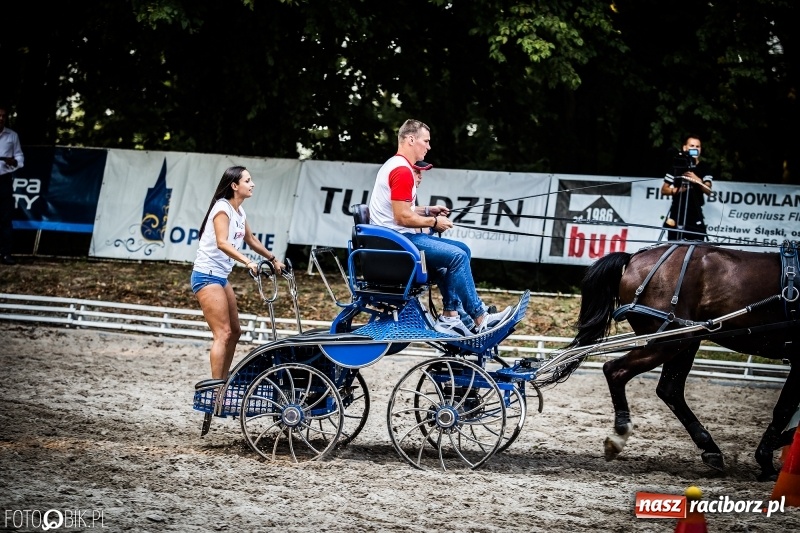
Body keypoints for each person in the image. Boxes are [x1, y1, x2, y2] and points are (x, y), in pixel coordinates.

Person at [368, 119, 511, 336]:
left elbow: (400, 210)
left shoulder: (396, 166)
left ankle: (451, 316)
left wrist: (427, 211)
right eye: (426, 141)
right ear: (410, 139)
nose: (428, 146)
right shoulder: (402, 171)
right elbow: (401, 217)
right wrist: (434, 222)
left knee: (461, 252)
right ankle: (480, 316)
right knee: (457, 255)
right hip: (398, 243)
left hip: (396, 240)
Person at [191, 166, 285, 380]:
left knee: (235, 332)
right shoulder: (222, 208)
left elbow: (251, 240)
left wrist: (273, 259)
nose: (252, 184)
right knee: (222, 334)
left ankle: (224, 382)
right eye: (247, 181)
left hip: (220, 277)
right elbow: (222, 243)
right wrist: (247, 262)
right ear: (234, 186)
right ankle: (215, 389)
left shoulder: (239, 211)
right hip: (206, 275)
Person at [660, 135, 713, 241]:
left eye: (697, 146)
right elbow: (664, 190)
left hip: (695, 214)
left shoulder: (704, 167)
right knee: (673, 247)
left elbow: (708, 190)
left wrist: (698, 180)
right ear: (685, 148)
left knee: (697, 249)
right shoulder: (677, 166)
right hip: (677, 212)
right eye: (692, 146)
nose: (695, 148)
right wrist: (678, 190)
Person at [0, 105, 24, 265]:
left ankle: (5, 253)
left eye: (3, 116)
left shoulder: (12, 135)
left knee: (4, 217)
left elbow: (19, 155)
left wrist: (14, 162)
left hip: (3, 179)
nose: (1, 118)